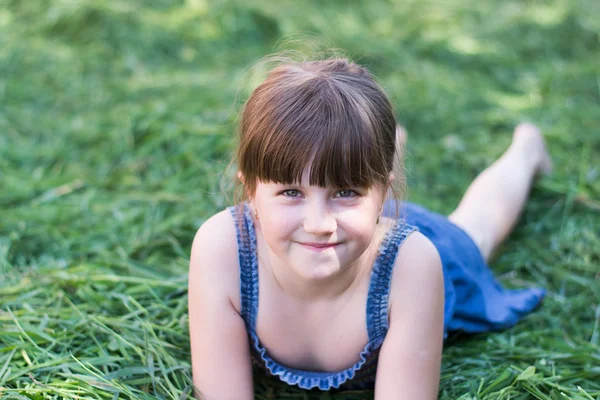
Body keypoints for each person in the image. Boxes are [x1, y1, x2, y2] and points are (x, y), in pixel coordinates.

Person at [187, 57, 552, 400]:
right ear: (250, 190)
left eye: (346, 190)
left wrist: (341, 191)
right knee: (340, 166)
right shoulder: (223, 251)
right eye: (290, 192)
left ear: (383, 193)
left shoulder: (414, 264)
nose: (318, 225)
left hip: (381, 249)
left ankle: (526, 151)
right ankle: (364, 159)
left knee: (477, 230)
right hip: (359, 222)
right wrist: (347, 190)